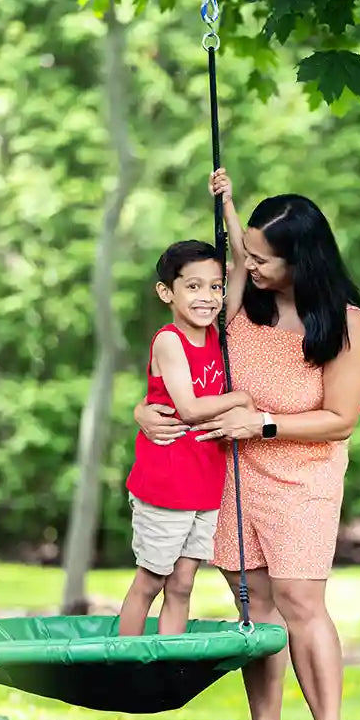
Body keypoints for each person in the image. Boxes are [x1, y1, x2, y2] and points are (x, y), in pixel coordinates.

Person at [133, 169, 360, 720]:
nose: (252, 264)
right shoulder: (244, 304)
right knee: (252, 607)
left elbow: (341, 419)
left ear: (302, 259)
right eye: (251, 253)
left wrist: (261, 423)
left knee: (300, 603)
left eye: (265, 258)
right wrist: (144, 410)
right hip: (230, 472)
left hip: (302, 475)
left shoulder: (340, 320)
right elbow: (182, 364)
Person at [118, 239, 256, 638]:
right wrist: (241, 398)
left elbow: (242, 264)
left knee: (182, 584)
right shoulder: (169, 341)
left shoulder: (215, 332)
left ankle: (166, 664)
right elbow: (190, 408)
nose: (207, 297)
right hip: (167, 483)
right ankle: (127, 665)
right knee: (151, 581)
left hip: (203, 483)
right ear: (167, 292)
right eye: (193, 286)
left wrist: (226, 202)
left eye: (215, 287)